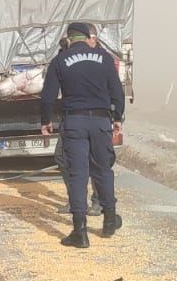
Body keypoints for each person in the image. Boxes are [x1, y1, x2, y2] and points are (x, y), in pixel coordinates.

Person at [40, 21, 125, 248]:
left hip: (74, 121)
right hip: (100, 122)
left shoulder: (59, 61)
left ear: (69, 39)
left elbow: (47, 96)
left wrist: (45, 121)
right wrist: (118, 119)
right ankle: (109, 220)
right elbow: (117, 91)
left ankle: (80, 232)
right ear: (88, 37)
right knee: (102, 170)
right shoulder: (105, 58)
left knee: (78, 174)